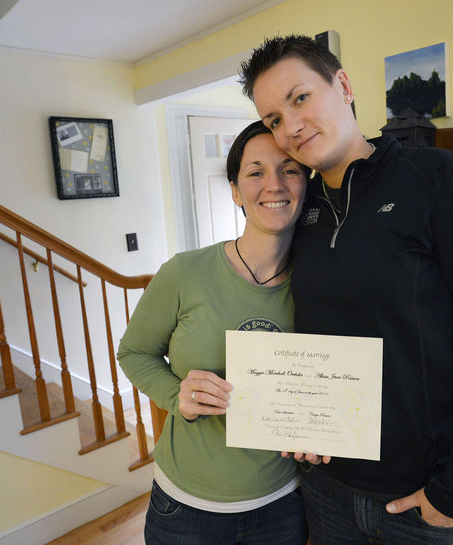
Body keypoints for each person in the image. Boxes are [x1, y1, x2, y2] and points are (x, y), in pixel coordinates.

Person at [239, 35, 453, 544]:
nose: (291, 127)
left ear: (344, 85)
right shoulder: (298, 214)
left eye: (300, 98)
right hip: (328, 493)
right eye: (273, 120)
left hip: (428, 502)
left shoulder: (437, 181)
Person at [117, 120, 310, 545]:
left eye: (290, 169)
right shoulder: (185, 273)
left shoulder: (319, 285)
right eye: (256, 172)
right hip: (186, 509)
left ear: (306, 183)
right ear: (236, 191)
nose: (274, 184)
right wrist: (176, 396)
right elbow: (133, 353)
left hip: (284, 504)